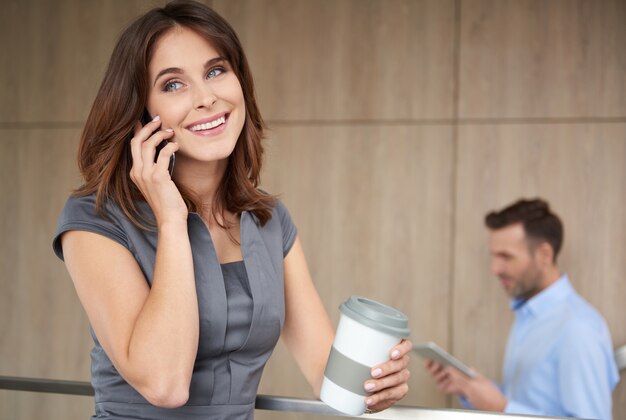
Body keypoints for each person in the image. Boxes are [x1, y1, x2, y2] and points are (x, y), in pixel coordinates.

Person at [51, 1, 411, 418]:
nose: (206, 98)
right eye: (173, 85)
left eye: (215, 71)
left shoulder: (270, 220)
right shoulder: (94, 218)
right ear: (141, 115)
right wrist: (170, 220)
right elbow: (164, 385)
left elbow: (324, 371)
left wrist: (377, 383)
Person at [425, 198, 619, 419]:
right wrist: (471, 388)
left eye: (506, 256)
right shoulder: (528, 315)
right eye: (494, 256)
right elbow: (532, 404)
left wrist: (501, 408)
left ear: (544, 255)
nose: (495, 268)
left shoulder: (579, 328)